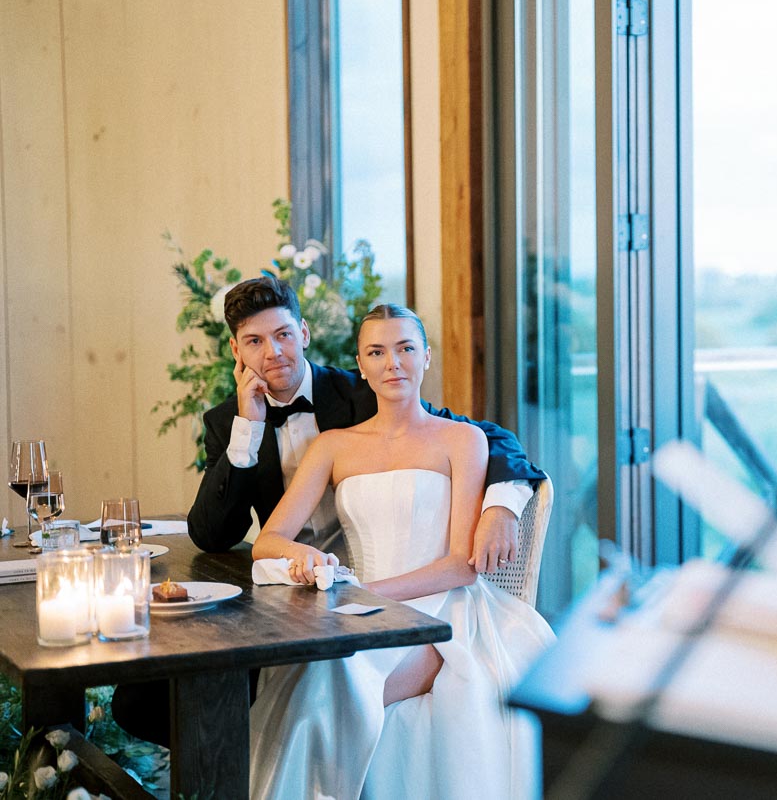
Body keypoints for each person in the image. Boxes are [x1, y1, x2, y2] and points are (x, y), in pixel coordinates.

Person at [113, 276, 545, 747]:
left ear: (303, 332)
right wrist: (248, 428)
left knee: (307, 700)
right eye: (255, 342)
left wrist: (502, 506)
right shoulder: (229, 420)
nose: (273, 352)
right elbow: (213, 534)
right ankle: (219, 773)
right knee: (144, 699)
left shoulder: (366, 390)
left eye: (282, 335)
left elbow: (488, 437)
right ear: (236, 351)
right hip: (295, 590)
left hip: (376, 592)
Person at [249, 303, 555, 799]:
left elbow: (460, 565)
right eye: (377, 351)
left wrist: (363, 591)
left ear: (426, 357)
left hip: (443, 611)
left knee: (336, 686)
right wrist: (304, 559)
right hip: (356, 610)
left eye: (406, 348)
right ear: (360, 364)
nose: (393, 363)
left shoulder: (462, 440)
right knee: (306, 678)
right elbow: (269, 539)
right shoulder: (332, 446)